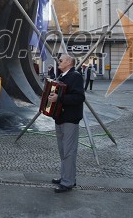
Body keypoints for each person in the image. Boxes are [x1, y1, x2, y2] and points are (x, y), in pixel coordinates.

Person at [48, 54, 85, 193]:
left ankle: (68, 182)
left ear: (69, 62)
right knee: (63, 151)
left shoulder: (75, 76)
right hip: (60, 118)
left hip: (70, 119)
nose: (59, 61)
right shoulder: (62, 76)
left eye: (61, 60)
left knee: (69, 152)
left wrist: (59, 97)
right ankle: (66, 177)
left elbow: (79, 97)